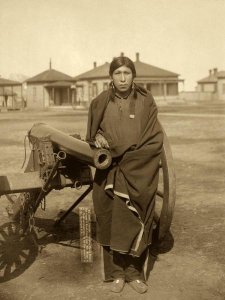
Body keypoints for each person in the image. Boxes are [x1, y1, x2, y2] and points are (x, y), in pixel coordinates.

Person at [86, 56, 163, 294]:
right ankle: (117, 274)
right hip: (109, 172)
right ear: (111, 76)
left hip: (140, 171)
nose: (122, 78)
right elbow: (91, 135)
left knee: (137, 218)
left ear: (133, 76)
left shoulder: (146, 101)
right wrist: (98, 139)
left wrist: (128, 156)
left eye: (126, 73)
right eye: (117, 73)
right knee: (110, 221)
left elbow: (153, 138)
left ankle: (134, 274)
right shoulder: (99, 102)